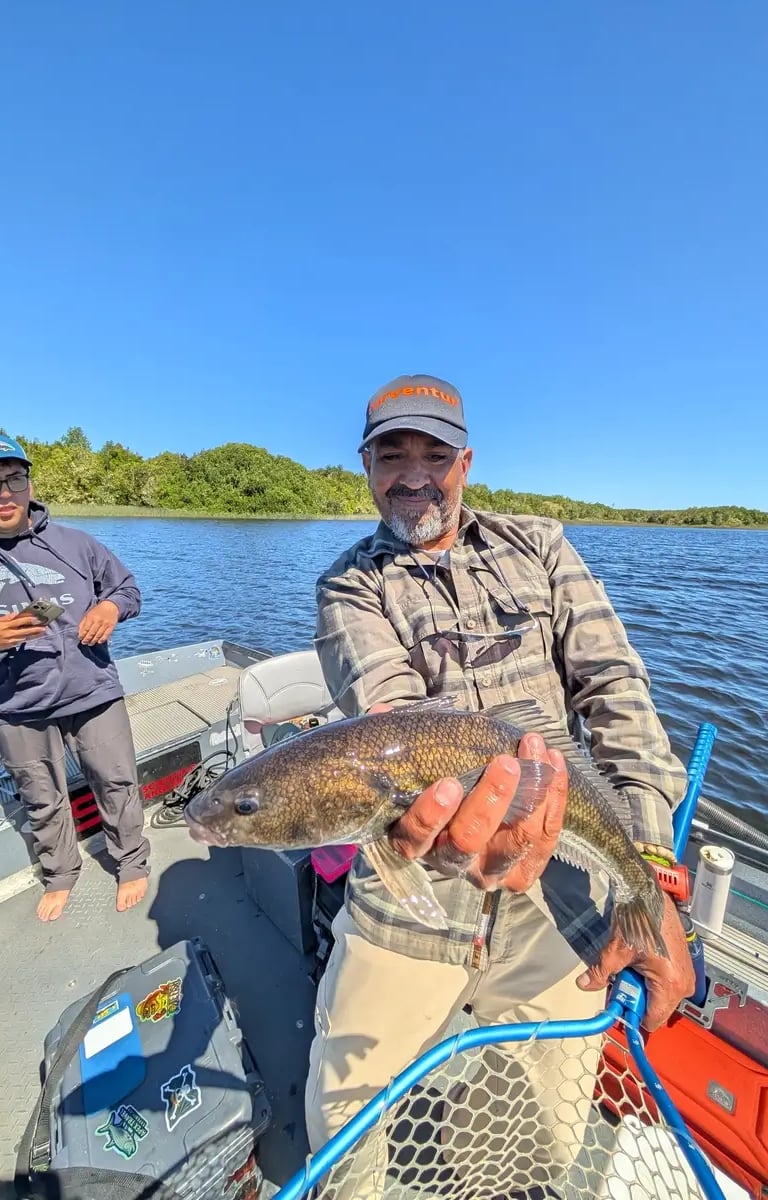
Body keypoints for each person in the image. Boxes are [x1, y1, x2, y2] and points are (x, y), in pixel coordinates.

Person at [305, 375, 695, 1196]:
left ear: (466, 462)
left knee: (534, 1125)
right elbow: (392, 717)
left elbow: (615, 693)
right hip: (408, 895)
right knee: (345, 1110)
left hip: (560, 894)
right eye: (392, 453)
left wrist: (652, 870)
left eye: (434, 453)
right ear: (366, 465)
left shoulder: (543, 544)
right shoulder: (348, 584)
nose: (414, 473)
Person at [0, 435, 150, 921]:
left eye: (13, 479)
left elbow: (128, 589)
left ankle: (130, 859)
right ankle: (60, 873)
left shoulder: (76, 544)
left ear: (28, 484)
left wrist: (110, 606)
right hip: (17, 705)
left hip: (92, 691)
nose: (4, 494)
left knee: (117, 780)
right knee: (39, 796)